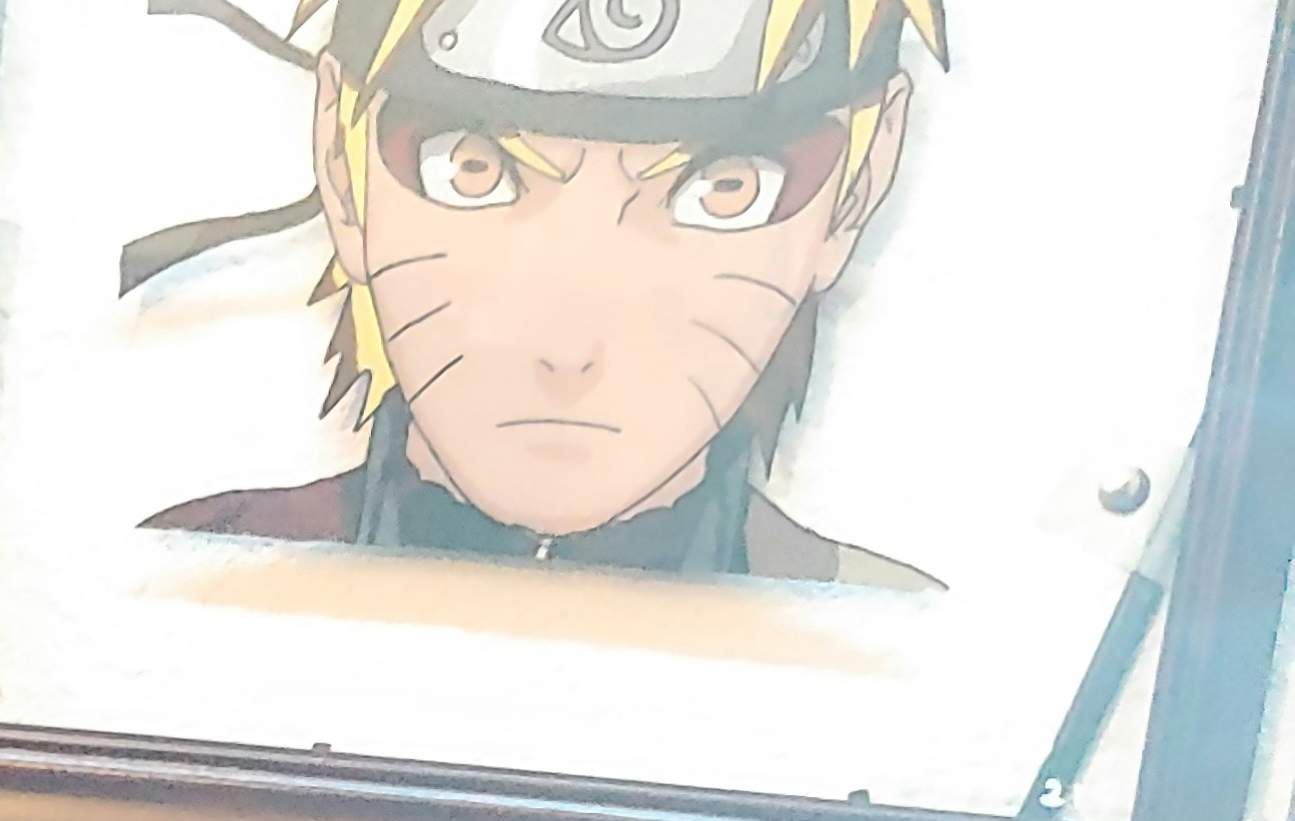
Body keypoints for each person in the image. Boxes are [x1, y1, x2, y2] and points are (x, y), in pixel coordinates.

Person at [148, 0, 946, 585]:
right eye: (469, 169)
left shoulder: (877, 642)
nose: (569, 349)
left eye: (727, 187)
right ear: (341, 157)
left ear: (857, 184)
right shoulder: (190, 579)